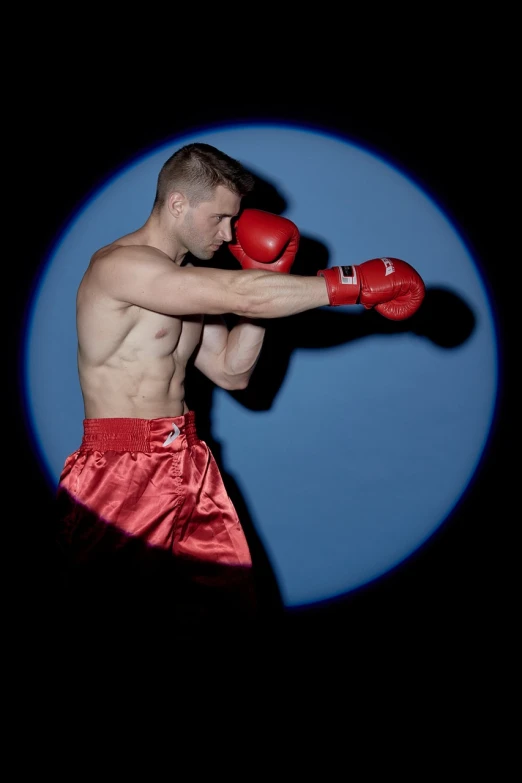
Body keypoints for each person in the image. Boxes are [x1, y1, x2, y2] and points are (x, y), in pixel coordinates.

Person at [54, 142, 425, 644]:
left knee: (226, 617)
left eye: (235, 220)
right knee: (113, 620)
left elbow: (232, 372)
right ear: (178, 203)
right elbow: (241, 294)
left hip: (187, 459)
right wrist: (353, 283)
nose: (229, 233)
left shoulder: (186, 283)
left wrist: (266, 283)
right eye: (221, 218)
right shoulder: (121, 267)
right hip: (120, 468)